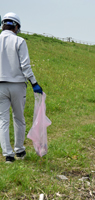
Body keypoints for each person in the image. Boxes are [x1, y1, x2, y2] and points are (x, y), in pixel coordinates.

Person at [0, 12, 43, 163]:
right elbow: (25, 66)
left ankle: (8, 155)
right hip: (17, 85)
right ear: (16, 26)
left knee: (3, 120)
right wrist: (34, 83)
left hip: (0, 86)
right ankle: (19, 150)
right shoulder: (20, 41)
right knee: (19, 118)